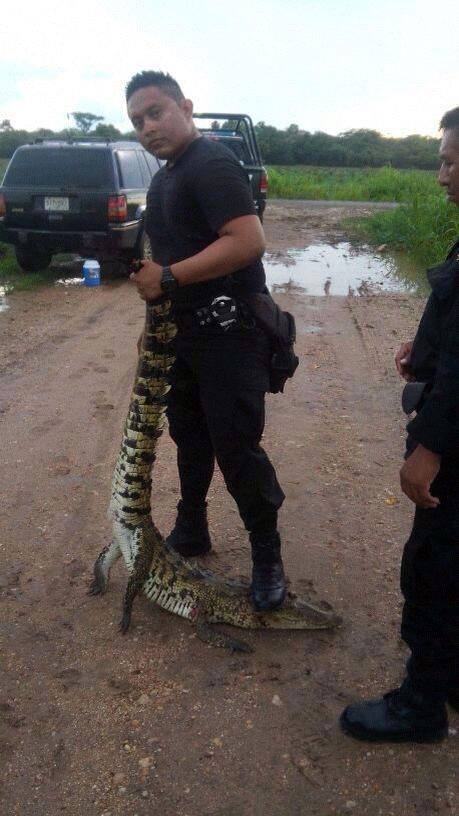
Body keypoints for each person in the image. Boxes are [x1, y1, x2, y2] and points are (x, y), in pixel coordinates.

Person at [125, 70, 286, 612]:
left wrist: (168, 278)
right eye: (136, 121)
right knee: (189, 438)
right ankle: (191, 528)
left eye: (155, 112)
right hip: (185, 336)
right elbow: (166, 257)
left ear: (185, 107)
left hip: (230, 334)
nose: (147, 127)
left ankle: (267, 556)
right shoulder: (165, 177)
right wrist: (155, 325)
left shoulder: (211, 163)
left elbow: (248, 241)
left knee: (236, 446)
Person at [341, 106, 459, 743]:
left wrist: (430, 449)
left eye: (447, 160)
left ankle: (420, 707)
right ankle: (450, 677)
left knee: (434, 569)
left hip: (453, 446)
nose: (441, 174)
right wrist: (423, 351)